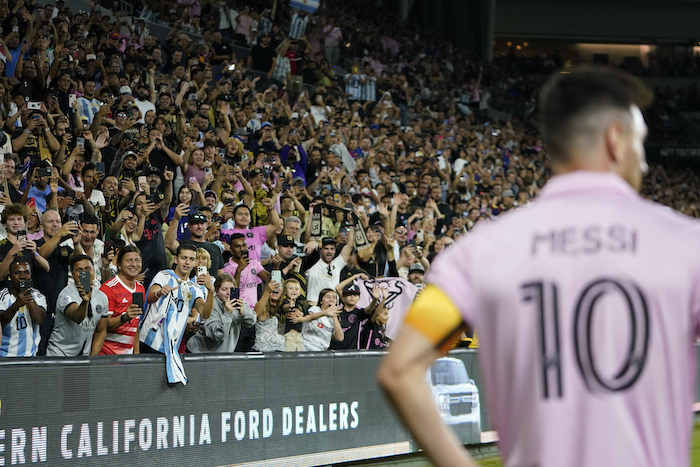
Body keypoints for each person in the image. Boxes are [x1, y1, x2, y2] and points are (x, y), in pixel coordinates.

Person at [377, 66, 700, 467]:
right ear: (616, 139)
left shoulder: (480, 251)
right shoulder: (685, 243)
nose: (645, 163)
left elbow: (399, 370)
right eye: (641, 144)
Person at [139, 244, 214, 384]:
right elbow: (149, 298)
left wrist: (210, 291)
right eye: (184, 258)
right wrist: (159, 293)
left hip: (170, 347)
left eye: (191, 259)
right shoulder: (164, 275)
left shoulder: (195, 288)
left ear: (196, 262)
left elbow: (205, 313)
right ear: (176, 259)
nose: (187, 262)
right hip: (148, 341)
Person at [45, 255, 109, 357]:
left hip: (84, 358)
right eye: (79, 270)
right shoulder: (66, 294)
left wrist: (92, 359)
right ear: (73, 274)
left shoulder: (102, 297)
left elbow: (101, 331)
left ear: (94, 271)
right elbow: (77, 317)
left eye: (87, 269)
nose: (84, 273)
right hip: (59, 354)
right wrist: (85, 302)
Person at [92, 245, 145, 355]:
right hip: (107, 355)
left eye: (137, 260)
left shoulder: (140, 288)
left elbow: (135, 325)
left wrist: (136, 353)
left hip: (128, 357)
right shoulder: (108, 289)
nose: (134, 264)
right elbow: (102, 325)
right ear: (119, 265)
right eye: (129, 260)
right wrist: (125, 317)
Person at [186, 273, 256, 353]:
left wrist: (243, 311)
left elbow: (252, 321)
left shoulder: (238, 303)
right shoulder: (211, 306)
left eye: (232, 289)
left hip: (225, 352)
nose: (228, 293)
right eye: (224, 289)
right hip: (199, 352)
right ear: (216, 291)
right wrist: (227, 313)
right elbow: (217, 335)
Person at [0, 260, 47, 357]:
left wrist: (27, 297)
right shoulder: (3, 296)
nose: (22, 276)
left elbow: (39, 319)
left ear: (30, 276)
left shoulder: (37, 296)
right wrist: (16, 305)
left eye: (26, 272)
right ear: (10, 276)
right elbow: (2, 321)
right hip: (5, 356)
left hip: (30, 355)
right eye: (17, 273)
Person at [305, 219, 355, 305]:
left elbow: (350, 244)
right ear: (321, 250)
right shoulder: (313, 263)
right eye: (326, 248)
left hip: (333, 308)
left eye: (332, 249)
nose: (329, 251)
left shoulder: (337, 263)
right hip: (315, 307)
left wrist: (351, 222)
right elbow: (307, 240)